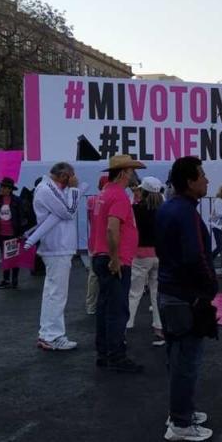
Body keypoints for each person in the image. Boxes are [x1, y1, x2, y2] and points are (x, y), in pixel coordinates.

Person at [157, 156, 218, 442]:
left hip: (170, 294)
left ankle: (180, 412)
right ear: (190, 181)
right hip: (185, 297)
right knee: (186, 361)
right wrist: (209, 288)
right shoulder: (186, 212)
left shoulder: (168, 208)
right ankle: (180, 423)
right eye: (202, 175)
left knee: (177, 358)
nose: (207, 180)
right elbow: (197, 256)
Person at [90, 154, 146, 372]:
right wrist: (115, 258)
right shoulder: (119, 196)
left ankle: (104, 353)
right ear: (123, 172)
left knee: (105, 308)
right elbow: (112, 228)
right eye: (131, 171)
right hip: (115, 260)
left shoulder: (104, 194)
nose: (133, 175)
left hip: (101, 256)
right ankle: (116, 356)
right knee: (117, 310)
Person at [24, 163, 81, 351]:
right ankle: (53, 335)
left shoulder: (49, 188)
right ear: (63, 176)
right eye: (70, 177)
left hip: (57, 247)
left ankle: (48, 334)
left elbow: (65, 210)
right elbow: (69, 211)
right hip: (57, 247)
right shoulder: (47, 189)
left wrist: (70, 189)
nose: (72, 180)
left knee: (52, 293)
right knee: (56, 294)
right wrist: (74, 189)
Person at [127, 176, 165, 346]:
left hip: (141, 254)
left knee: (134, 292)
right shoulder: (164, 210)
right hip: (160, 254)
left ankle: (126, 326)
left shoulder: (136, 209)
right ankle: (159, 328)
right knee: (156, 293)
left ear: (143, 191)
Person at [0, 177, 26, 290]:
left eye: (5, 187)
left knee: (13, 256)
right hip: (1, 232)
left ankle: (14, 279)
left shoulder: (17, 200)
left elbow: (21, 216)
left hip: (13, 232)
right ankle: (6, 279)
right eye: (1, 187)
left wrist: (20, 232)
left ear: (10, 189)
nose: (2, 189)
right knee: (5, 256)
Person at [85, 176, 109, 315]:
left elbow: (90, 221)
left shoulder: (91, 200)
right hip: (109, 243)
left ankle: (91, 306)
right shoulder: (114, 199)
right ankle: (106, 304)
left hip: (93, 242)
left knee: (93, 276)